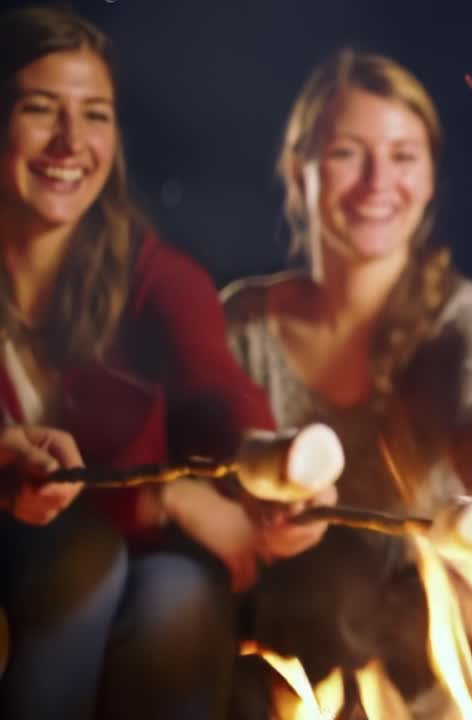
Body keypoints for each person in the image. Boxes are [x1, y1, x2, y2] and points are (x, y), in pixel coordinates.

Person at [0, 6, 327, 718]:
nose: (71, 142)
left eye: (95, 116)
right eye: (39, 109)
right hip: (57, 551)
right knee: (80, 560)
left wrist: (272, 471)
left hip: (138, 552)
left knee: (178, 595)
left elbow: (217, 390)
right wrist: (160, 496)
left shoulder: (153, 274)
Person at [221, 47, 472, 707]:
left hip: (434, 629)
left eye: (404, 155)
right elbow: (213, 454)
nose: (380, 180)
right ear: (300, 172)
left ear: (431, 176)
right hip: (290, 627)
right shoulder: (241, 321)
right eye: (349, 152)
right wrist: (255, 508)